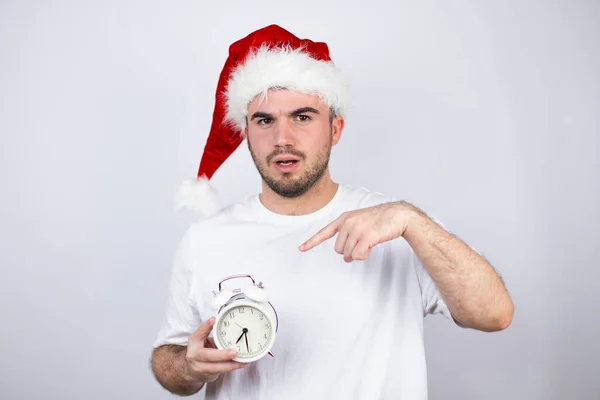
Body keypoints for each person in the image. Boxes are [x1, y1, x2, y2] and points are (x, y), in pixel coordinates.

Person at [150, 24, 514, 400]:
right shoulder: (207, 238)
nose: (283, 139)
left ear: (335, 128)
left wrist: (412, 221)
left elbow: (494, 314)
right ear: (245, 131)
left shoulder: (396, 227)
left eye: (302, 117)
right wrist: (189, 367)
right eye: (265, 120)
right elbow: (169, 356)